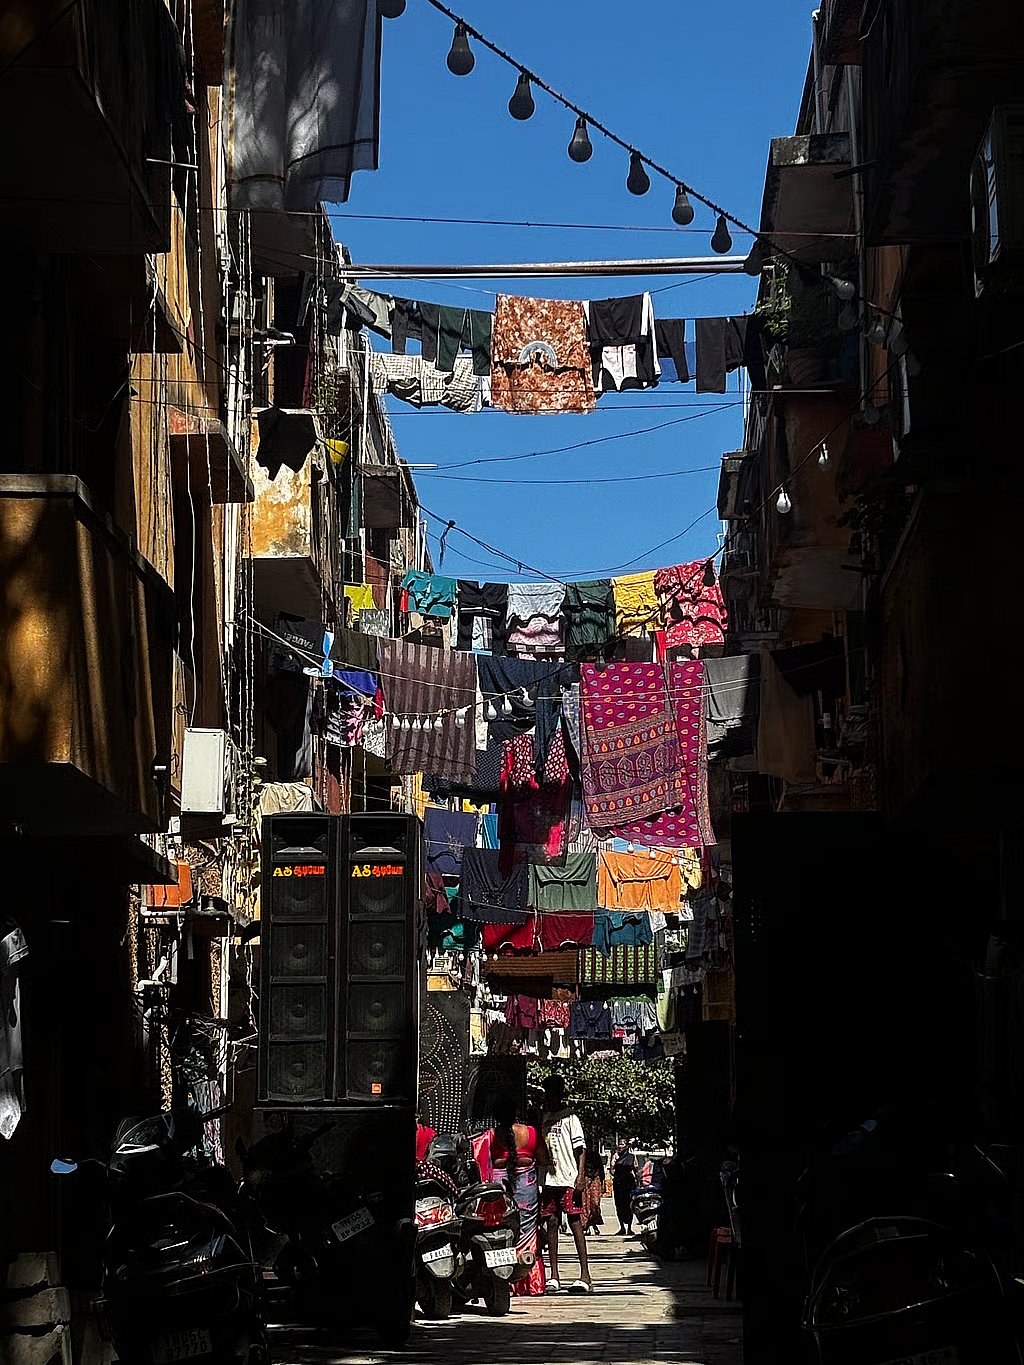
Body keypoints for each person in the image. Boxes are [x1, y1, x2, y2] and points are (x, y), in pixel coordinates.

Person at [539, 1074, 592, 1294]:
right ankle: (554, 1276)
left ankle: (585, 1276)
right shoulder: (543, 1118)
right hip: (549, 1179)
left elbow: (581, 1150)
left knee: (575, 1223)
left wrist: (580, 1177)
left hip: (568, 1178)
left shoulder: (571, 1118)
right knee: (551, 1223)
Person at [489, 1097, 546, 1296]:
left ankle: (506, 1282)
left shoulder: (492, 1136)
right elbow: (544, 1158)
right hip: (527, 1189)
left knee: (502, 1229)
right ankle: (530, 1282)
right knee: (528, 1231)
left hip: (500, 1190)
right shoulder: (530, 1132)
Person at [610, 1137, 638, 1236]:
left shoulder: (632, 1156)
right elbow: (611, 1169)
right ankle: (621, 1227)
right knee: (619, 1204)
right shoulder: (615, 1156)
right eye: (620, 1144)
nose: (620, 1146)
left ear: (627, 1146)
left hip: (629, 1183)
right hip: (618, 1183)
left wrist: (637, 1181)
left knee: (629, 1204)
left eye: (622, 1144)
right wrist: (617, 1176)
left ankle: (629, 1227)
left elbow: (636, 1169)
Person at [582, 1144, 606, 1236]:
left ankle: (594, 1223)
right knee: (585, 1204)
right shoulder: (582, 1156)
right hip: (585, 1178)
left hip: (595, 1179)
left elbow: (601, 1168)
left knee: (595, 1203)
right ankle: (586, 1225)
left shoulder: (596, 1155)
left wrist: (602, 1181)